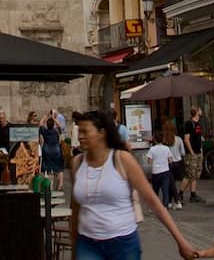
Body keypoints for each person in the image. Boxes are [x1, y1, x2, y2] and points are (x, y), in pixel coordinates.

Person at [67, 110, 198, 260]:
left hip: (122, 244)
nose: (80, 136)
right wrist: (74, 248)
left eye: (85, 131)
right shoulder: (77, 163)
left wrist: (181, 241)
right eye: (79, 131)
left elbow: (153, 202)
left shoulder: (122, 160)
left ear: (101, 133)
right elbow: (76, 209)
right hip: (87, 243)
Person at [181, 108, 207, 204]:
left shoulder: (198, 124)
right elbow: (186, 138)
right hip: (192, 153)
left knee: (195, 175)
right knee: (190, 174)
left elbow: (197, 137)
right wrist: (191, 151)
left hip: (198, 152)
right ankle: (180, 193)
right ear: (196, 112)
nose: (201, 111)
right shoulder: (189, 123)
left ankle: (193, 194)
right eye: (200, 109)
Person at [147, 132, 175, 211]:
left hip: (156, 172)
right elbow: (171, 160)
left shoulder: (152, 149)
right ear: (162, 139)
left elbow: (149, 161)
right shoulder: (166, 148)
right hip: (165, 172)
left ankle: (153, 207)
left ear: (155, 140)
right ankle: (165, 206)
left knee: (155, 191)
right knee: (165, 190)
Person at [165, 121, 186, 209]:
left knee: (171, 183)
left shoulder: (164, 140)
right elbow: (183, 152)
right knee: (173, 183)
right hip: (178, 162)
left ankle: (172, 201)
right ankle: (173, 200)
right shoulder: (179, 139)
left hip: (168, 163)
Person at [41, 115, 65, 188]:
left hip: (47, 150)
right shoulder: (56, 131)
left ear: (47, 125)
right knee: (60, 168)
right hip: (56, 150)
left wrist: (45, 116)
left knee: (48, 168)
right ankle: (60, 185)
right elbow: (61, 127)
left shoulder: (45, 131)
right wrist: (54, 118)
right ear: (53, 125)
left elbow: (40, 124)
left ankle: (49, 185)